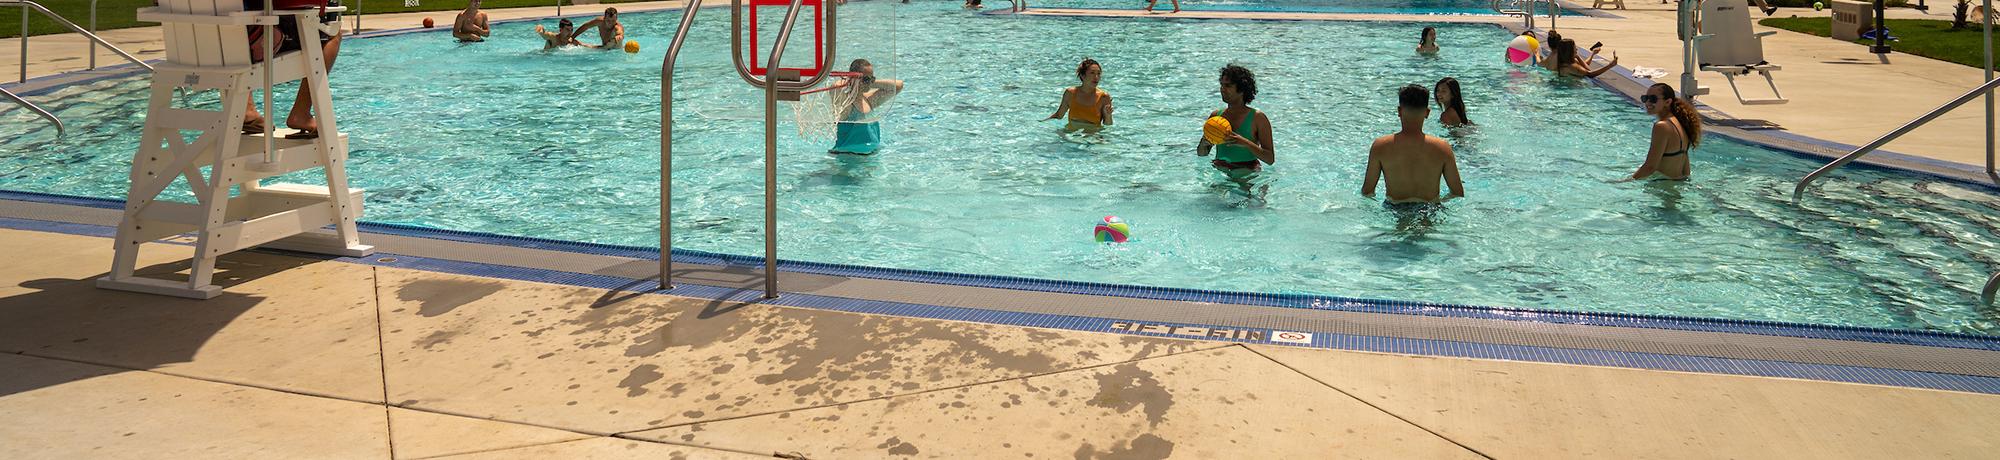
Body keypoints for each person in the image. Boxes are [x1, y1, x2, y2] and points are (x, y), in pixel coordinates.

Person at [240, 0, 343, 139]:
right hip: (261, 40)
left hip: (221, 48)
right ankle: (301, 113)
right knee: (332, 34)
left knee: (233, 29)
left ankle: (246, 109)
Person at [1363, 85, 1464, 204]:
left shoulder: (1381, 146)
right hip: (1430, 208)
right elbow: (1457, 193)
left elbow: (1368, 192)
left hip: (1395, 208)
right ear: (1427, 113)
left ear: (1399, 111)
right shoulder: (1442, 147)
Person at [1196, 64, 1274, 183]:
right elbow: (1202, 154)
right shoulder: (1216, 117)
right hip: (1220, 169)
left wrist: (1245, 143)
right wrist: (1204, 143)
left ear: (1242, 89)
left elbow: (1270, 159)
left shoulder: (1258, 118)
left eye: (1228, 85)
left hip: (1247, 170)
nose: (1222, 89)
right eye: (1221, 85)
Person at [827, 59, 905, 155]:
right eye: (866, 79)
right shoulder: (847, 104)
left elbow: (898, 86)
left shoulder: (869, 100)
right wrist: (851, 80)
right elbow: (835, 88)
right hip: (847, 157)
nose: (869, 83)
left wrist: (870, 81)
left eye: (872, 79)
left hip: (870, 157)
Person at [1631, 83, 1701, 180]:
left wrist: (1626, 182)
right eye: (1645, 98)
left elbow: (1650, 167)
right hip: (1676, 183)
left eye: (1653, 99)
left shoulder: (1662, 126)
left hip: (1661, 185)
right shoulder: (1680, 122)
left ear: (1667, 102)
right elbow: (1686, 170)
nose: (1647, 103)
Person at [1047, 58, 1114, 132]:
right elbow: (1059, 115)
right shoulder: (1070, 93)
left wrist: (1108, 115)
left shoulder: (1104, 97)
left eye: (1098, 73)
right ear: (1082, 75)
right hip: (1071, 132)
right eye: (1092, 73)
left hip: (1092, 134)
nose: (1096, 77)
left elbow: (1107, 124)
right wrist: (1041, 123)